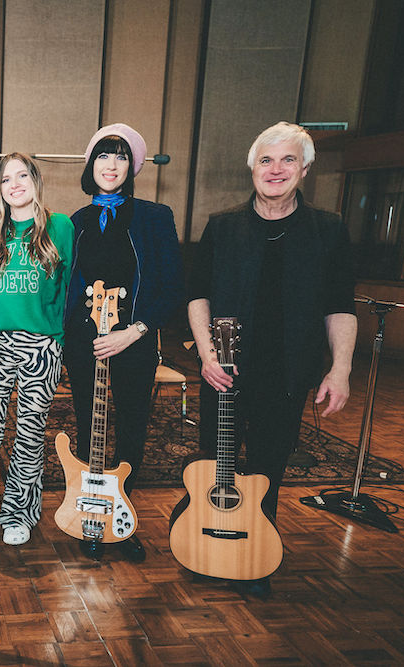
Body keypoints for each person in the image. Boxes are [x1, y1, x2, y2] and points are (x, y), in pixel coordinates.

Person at [187, 121, 357, 597]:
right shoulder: (222, 226)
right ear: (252, 167)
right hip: (222, 370)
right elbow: (196, 295)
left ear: (304, 168)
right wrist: (205, 354)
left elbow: (340, 305)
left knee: (268, 469)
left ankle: (254, 554)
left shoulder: (328, 231)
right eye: (266, 159)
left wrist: (339, 368)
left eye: (287, 160)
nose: (275, 169)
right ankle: (206, 543)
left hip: (285, 373)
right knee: (212, 461)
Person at [64, 123, 184, 562]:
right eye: (102, 155)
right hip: (84, 343)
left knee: (132, 426)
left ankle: (122, 514)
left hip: (134, 338)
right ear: (90, 164)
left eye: (119, 157)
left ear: (132, 166)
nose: (110, 165)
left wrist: (134, 330)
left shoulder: (155, 217)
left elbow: (172, 285)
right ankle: (88, 511)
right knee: (88, 426)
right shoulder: (75, 221)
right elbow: (66, 286)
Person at [0, 153, 74, 548]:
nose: (15, 184)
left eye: (22, 176)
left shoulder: (60, 226)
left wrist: (57, 338)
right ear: (0, 189)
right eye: (7, 179)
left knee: (29, 431)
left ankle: (19, 513)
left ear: (36, 181)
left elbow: (70, 288)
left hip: (41, 343)